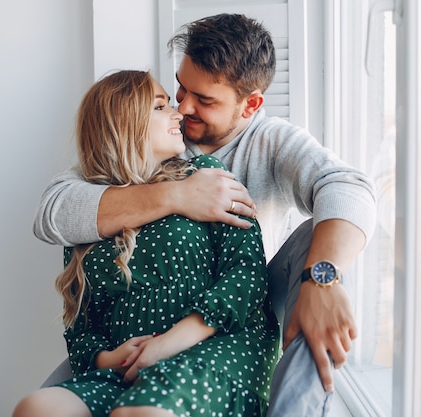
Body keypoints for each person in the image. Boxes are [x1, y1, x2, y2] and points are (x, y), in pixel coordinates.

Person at [34, 13, 377, 416]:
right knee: (43, 404)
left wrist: (324, 278)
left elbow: (349, 187)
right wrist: (177, 196)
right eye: (181, 89)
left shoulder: (272, 143)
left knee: (315, 238)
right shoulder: (151, 136)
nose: (183, 107)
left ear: (250, 105)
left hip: (237, 307)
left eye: (205, 100)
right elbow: (54, 213)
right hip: (140, 319)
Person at [14, 70, 280, 417]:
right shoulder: (92, 209)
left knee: (139, 413)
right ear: (124, 124)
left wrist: (167, 344)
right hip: (127, 368)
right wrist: (108, 357)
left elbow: (246, 275)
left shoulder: (204, 174)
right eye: (160, 107)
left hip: (214, 345)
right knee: (36, 407)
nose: (178, 113)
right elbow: (80, 326)